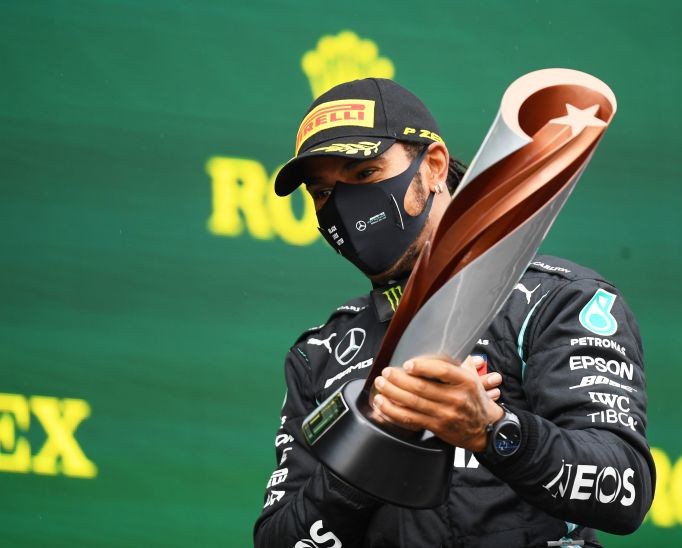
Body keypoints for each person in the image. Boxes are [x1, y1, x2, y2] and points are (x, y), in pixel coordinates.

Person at [254, 78, 655, 547]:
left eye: (364, 175)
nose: (344, 206)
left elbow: (624, 491)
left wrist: (492, 429)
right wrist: (368, 441)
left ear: (434, 167)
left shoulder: (557, 301)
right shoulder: (320, 356)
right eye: (323, 193)